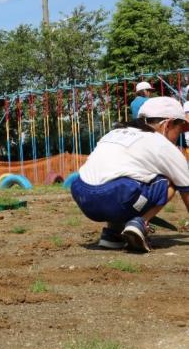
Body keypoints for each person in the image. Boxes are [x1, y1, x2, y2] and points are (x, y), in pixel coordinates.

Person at [70, 97, 189, 252]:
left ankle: (113, 234)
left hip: (83, 195)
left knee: (127, 177)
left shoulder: (116, 132)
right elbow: (187, 192)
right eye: (179, 130)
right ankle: (140, 222)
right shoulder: (164, 145)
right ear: (167, 124)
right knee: (171, 179)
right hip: (118, 197)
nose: (178, 137)